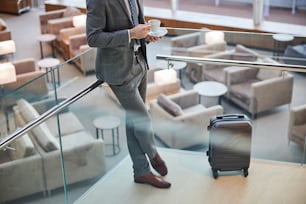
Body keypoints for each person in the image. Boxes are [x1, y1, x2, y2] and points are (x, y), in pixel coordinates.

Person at [86, 0, 171, 188]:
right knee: (143, 118)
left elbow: (135, 22)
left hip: (139, 63)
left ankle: (141, 172)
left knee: (133, 121)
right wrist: (130, 34)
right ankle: (153, 154)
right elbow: (93, 38)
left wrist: (147, 35)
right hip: (118, 71)